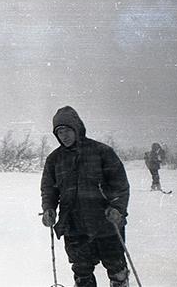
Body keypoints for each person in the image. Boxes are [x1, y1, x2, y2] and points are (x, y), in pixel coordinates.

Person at [40, 106, 130, 287]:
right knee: (82, 274)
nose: (63, 136)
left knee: (117, 270)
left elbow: (120, 185)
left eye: (67, 130)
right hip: (74, 226)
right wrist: (48, 209)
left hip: (105, 223)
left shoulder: (102, 152)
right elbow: (49, 189)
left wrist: (118, 208)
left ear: (77, 128)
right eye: (59, 132)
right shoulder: (54, 159)